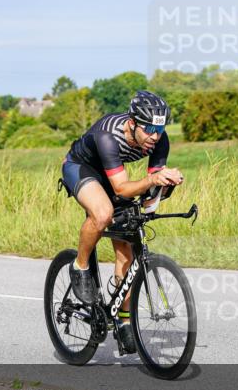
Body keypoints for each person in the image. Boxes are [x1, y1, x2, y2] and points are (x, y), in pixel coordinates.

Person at [59, 90, 184, 354]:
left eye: (160, 129)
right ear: (132, 123)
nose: (155, 136)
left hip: (115, 176)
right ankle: (80, 266)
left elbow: (149, 194)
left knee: (127, 247)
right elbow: (122, 188)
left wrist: (163, 188)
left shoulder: (159, 141)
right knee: (102, 214)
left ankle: (123, 318)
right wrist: (151, 180)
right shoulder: (108, 136)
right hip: (81, 167)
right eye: (149, 129)